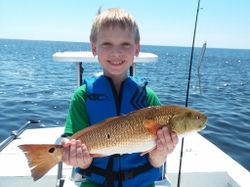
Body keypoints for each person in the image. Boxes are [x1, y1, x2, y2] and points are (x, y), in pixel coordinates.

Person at [62, 8, 178, 187]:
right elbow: (84, 162)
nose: (116, 52)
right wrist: (78, 158)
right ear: (94, 48)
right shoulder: (82, 97)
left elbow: (155, 162)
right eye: (107, 44)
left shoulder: (149, 98)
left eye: (125, 44)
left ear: (137, 48)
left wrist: (163, 150)